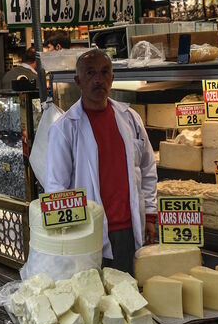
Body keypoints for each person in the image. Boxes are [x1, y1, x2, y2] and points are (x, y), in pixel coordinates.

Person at [45, 49, 157, 274]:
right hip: (87, 233)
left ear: (112, 78)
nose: (98, 79)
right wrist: (67, 239)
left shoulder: (130, 118)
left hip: (129, 229)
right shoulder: (65, 128)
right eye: (90, 73)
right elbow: (56, 188)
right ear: (78, 80)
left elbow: (147, 168)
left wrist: (151, 215)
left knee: (126, 299)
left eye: (105, 72)